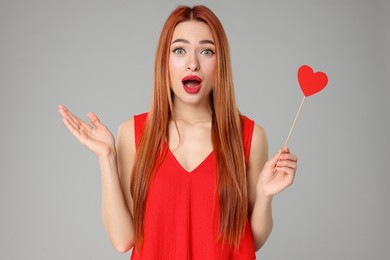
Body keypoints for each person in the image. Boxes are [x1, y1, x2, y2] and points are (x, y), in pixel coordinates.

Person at [58, 5, 297, 259]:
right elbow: (122, 240)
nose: (192, 63)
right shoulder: (133, 133)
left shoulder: (250, 136)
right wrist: (106, 158)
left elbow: (252, 241)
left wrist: (264, 195)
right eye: (179, 50)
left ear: (220, 64)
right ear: (165, 61)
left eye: (207, 51)